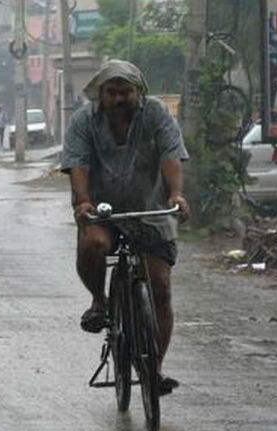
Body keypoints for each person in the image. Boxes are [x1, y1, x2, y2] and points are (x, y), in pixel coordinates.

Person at [60, 60, 190, 394]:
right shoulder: (83, 121)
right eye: (113, 92)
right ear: (101, 94)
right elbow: (78, 166)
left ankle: (153, 370)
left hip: (151, 210)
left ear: (138, 92)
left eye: (126, 92)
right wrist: (82, 202)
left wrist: (176, 194)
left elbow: (171, 157)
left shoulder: (157, 114)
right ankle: (100, 301)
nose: (120, 99)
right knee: (94, 245)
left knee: (160, 286)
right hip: (103, 212)